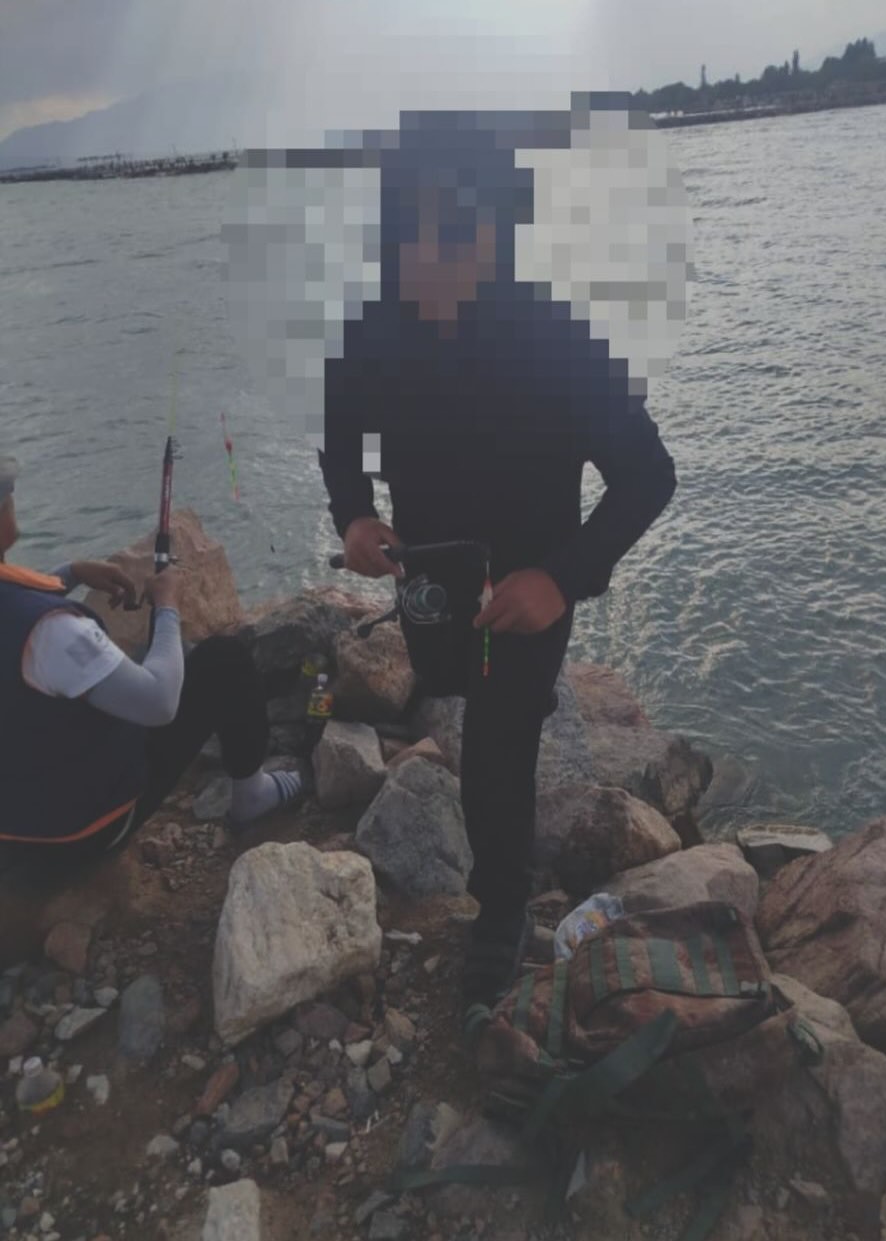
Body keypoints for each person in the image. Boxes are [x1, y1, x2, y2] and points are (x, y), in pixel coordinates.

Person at [319, 115, 677, 1015]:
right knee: (451, 688)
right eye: (406, 232)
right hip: (432, 576)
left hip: (529, 581)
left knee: (500, 734)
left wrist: (562, 577)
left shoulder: (559, 342)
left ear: (498, 231)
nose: (426, 257)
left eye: (453, 232)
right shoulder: (373, 330)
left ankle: (502, 909)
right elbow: (338, 426)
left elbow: (649, 475)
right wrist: (353, 512)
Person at [0, 455, 302, 867]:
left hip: (10, 830)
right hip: (70, 839)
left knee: (131, 664)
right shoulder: (52, 631)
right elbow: (160, 703)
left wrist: (70, 573)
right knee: (223, 660)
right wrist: (167, 606)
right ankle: (253, 796)